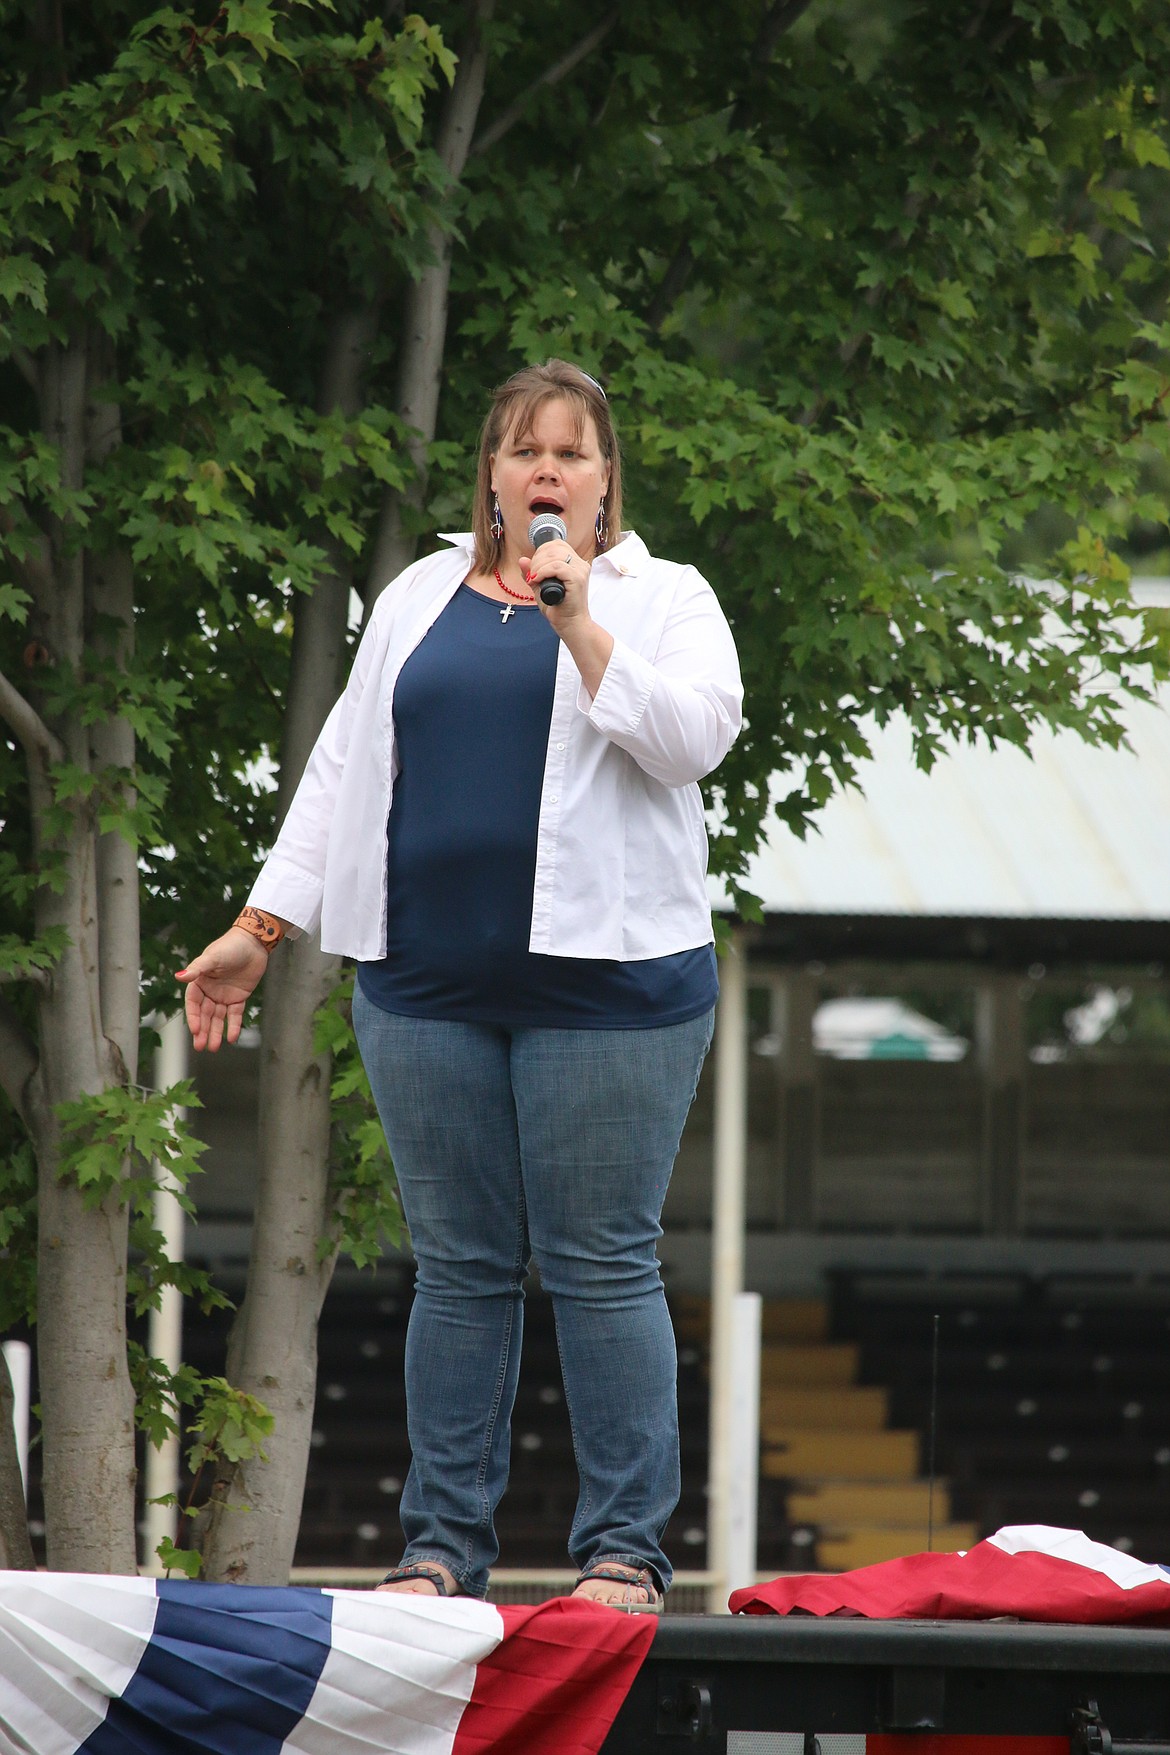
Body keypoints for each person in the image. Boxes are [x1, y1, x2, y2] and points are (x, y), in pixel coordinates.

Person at [178, 359, 743, 1610]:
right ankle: (439, 1553)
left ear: (606, 484)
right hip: (425, 983)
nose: (549, 470)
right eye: (526, 449)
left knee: (600, 1263)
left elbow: (695, 739)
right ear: (490, 473)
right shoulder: (416, 595)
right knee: (459, 1269)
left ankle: (622, 1557)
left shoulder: (664, 600)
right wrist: (260, 927)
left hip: (611, 989)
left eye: (574, 453)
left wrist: (579, 622)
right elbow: (341, 768)